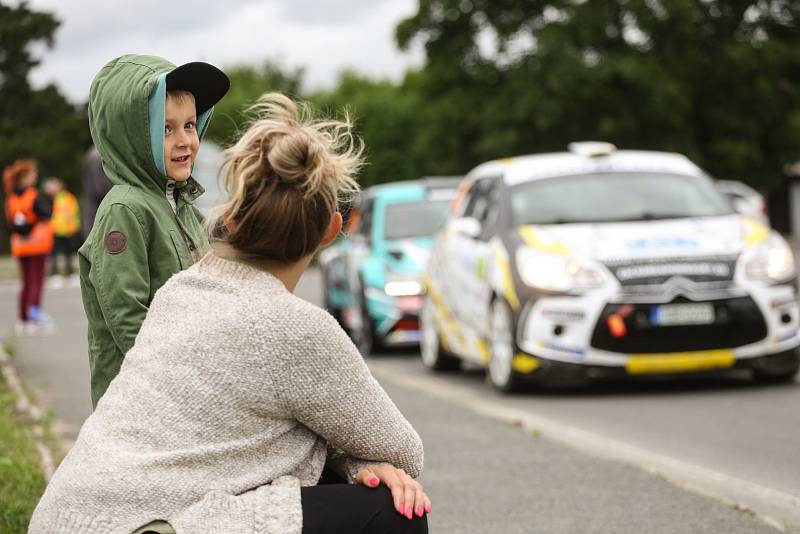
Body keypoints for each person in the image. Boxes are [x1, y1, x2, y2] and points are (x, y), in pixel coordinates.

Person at [29, 92, 430, 534]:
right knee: (396, 512)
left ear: (231, 221)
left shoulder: (180, 290)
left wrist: (352, 462)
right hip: (145, 523)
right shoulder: (297, 329)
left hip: (68, 517)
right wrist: (358, 463)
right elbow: (403, 453)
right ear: (330, 230)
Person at [78, 55, 230, 407]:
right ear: (129, 136)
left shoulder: (183, 204)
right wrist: (179, 382)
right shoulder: (125, 210)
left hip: (187, 393)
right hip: (141, 404)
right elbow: (127, 316)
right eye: (166, 128)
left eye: (190, 125)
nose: (184, 141)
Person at [3, 159, 54, 335]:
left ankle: (23, 318)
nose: (35, 177)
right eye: (32, 174)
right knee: (36, 281)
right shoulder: (33, 195)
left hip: (20, 245)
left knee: (25, 282)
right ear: (24, 177)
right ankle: (35, 315)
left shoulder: (10, 198)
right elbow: (47, 214)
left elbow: (10, 222)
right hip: (37, 245)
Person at [43, 177, 81, 285]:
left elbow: (74, 213)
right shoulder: (50, 199)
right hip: (55, 230)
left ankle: (71, 274)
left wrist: (74, 228)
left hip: (69, 230)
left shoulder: (69, 198)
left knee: (69, 255)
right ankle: (55, 275)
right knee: (54, 255)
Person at [80, 145, 112, 240]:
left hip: (91, 204)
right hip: (97, 206)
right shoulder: (99, 154)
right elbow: (99, 188)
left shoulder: (93, 153)